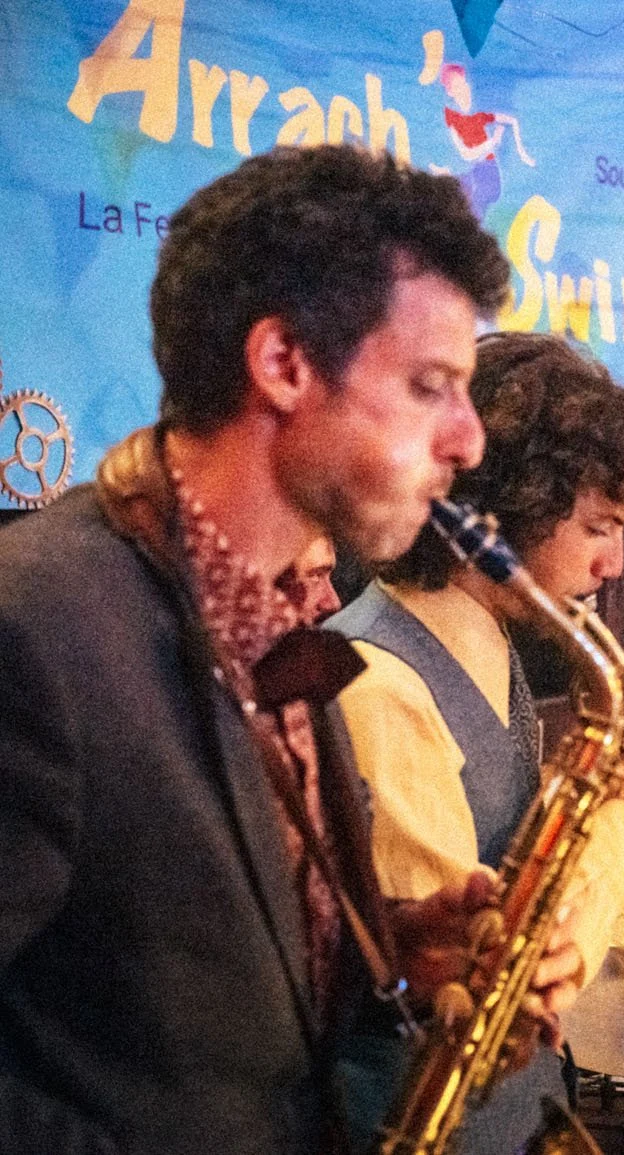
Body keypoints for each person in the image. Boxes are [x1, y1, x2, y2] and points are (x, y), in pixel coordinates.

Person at [0, 144, 572, 1154]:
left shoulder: (294, 611)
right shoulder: (34, 627)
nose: (472, 441)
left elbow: (157, 980)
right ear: (284, 365)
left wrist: (388, 956)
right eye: (432, 385)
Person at [328, 332, 624, 1152]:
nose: (613, 562)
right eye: (598, 525)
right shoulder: (381, 686)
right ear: (505, 508)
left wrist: (620, 831)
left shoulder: (487, 644)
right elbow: (476, 995)